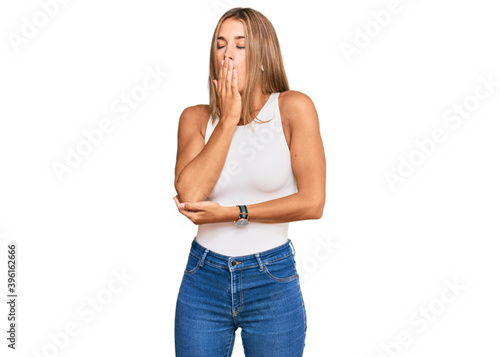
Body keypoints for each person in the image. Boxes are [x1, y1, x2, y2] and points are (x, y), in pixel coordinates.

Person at [172, 7, 326, 356]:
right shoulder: (195, 118)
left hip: (271, 277)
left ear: (261, 55)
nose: (228, 54)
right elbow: (190, 194)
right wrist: (227, 120)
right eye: (220, 44)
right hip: (203, 278)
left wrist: (233, 213)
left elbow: (312, 202)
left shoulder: (292, 107)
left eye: (240, 46)